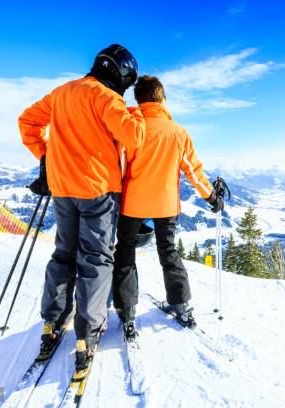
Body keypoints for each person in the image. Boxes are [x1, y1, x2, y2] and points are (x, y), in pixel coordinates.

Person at [18, 44, 146, 371]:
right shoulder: (107, 98)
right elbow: (133, 137)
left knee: (64, 252)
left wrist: (46, 159)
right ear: (120, 75)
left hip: (62, 188)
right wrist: (136, 112)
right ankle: (87, 331)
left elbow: (28, 122)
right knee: (96, 259)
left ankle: (52, 321)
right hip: (97, 191)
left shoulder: (62, 92)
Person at [112, 75, 224, 341]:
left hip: (132, 203)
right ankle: (181, 305)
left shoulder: (131, 129)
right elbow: (193, 171)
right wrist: (210, 197)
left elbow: (119, 168)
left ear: (139, 99)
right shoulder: (177, 132)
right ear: (161, 97)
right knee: (168, 250)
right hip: (165, 204)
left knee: (125, 252)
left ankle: (127, 312)